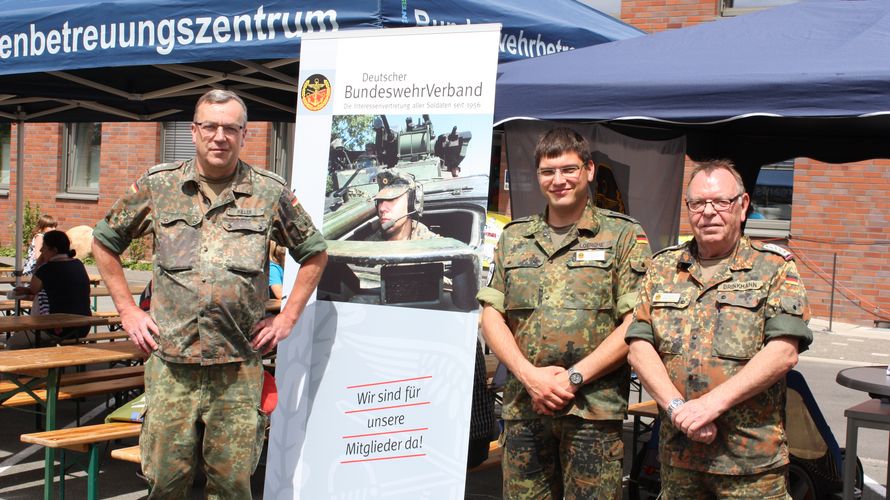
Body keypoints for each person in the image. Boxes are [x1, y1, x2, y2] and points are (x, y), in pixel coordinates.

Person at [92, 89, 328, 499]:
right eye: (211, 127)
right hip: (171, 367)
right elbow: (104, 241)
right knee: (166, 483)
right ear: (195, 131)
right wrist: (128, 309)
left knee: (232, 486)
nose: (220, 136)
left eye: (230, 128)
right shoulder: (158, 186)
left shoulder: (269, 192)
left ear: (244, 135)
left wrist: (287, 317)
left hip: (237, 369)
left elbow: (314, 252)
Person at [476, 128, 652, 499]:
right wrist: (529, 377)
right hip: (526, 408)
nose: (558, 181)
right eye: (547, 172)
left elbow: (636, 322)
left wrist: (572, 378)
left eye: (568, 169)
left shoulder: (622, 235)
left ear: (589, 170)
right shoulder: (514, 238)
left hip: (592, 413)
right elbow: (492, 315)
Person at [626, 159, 812, 499]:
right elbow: (639, 347)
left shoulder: (773, 268)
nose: (708, 212)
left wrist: (710, 406)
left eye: (720, 202)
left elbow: (784, 352)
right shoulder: (663, 267)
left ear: (742, 206)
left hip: (750, 464)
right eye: (698, 203)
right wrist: (677, 409)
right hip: (679, 458)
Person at [10, 230, 92, 347]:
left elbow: (33, 289)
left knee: (13, 344)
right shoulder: (78, 264)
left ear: (54, 250)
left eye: (44, 247)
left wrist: (39, 263)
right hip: (83, 327)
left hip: (58, 329)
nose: (41, 250)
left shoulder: (47, 269)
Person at [368, 170, 439, 241]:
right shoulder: (368, 247)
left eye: (391, 199)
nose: (382, 208)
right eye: (380, 201)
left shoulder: (433, 246)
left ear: (411, 204)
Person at [23, 214, 58, 315]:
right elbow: (38, 255)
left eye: (55, 226)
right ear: (42, 227)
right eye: (51, 226)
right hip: (33, 270)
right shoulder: (40, 237)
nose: (54, 229)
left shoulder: (46, 237)